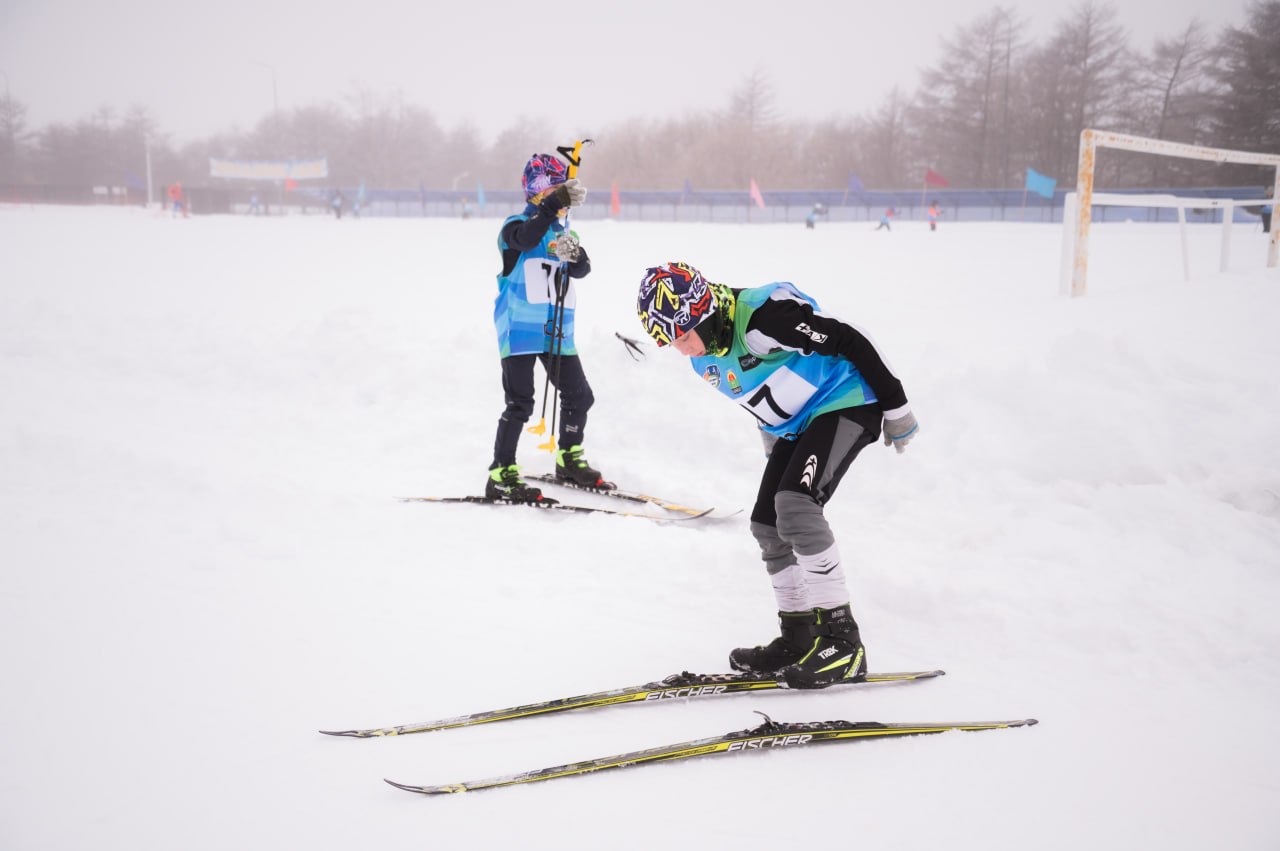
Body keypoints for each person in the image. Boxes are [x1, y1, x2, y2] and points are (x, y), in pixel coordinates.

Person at [636, 262, 918, 689]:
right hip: (802, 422)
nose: (682, 349)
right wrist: (775, 443)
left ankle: (843, 642)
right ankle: (799, 635)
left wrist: (896, 407)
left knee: (796, 507)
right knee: (766, 524)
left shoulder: (764, 320)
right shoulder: (706, 353)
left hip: (847, 401)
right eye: (670, 342)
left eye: (683, 335)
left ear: (704, 312)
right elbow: (764, 393)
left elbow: (849, 339)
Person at [487, 152, 605, 502]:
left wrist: (577, 256)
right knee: (521, 403)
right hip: (521, 329)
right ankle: (501, 473)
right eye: (556, 192)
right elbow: (523, 239)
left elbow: (581, 271)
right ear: (539, 192)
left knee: (580, 396)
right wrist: (550, 208)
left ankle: (569, 457)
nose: (563, 201)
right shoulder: (515, 225)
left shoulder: (562, 231)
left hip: (557, 331)